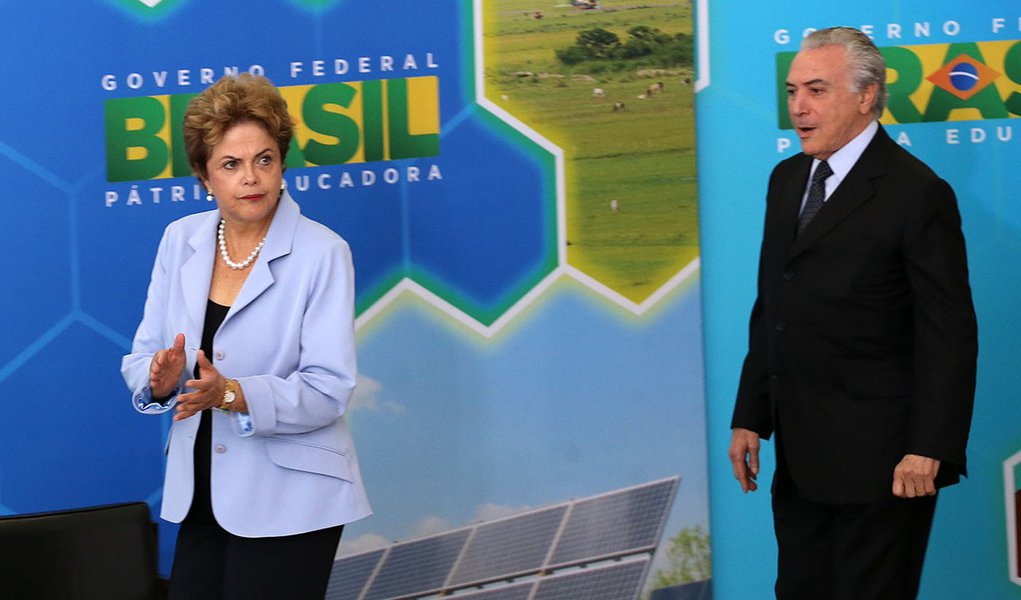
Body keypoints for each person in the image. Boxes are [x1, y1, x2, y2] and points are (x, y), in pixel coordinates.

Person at [728, 27, 977, 599]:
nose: (798, 107)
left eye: (816, 90)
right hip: (800, 461)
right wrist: (751, 415)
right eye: (792, 91)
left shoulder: (917, 194)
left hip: (886, 465)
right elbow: (774, 306)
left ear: (867, 96)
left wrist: (929, 447)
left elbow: (949, 334)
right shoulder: (786, 180)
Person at [122, 73, 370, 599]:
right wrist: (159, 379)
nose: (251, 178)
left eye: (264, 159)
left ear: (281, 163)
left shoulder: (322, 253)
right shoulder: (179, 239)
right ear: (204, 177)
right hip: (202, 492)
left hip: (293, 495)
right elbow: (144, 355)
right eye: (231, 165)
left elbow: (328, 388)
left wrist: (231, 393)